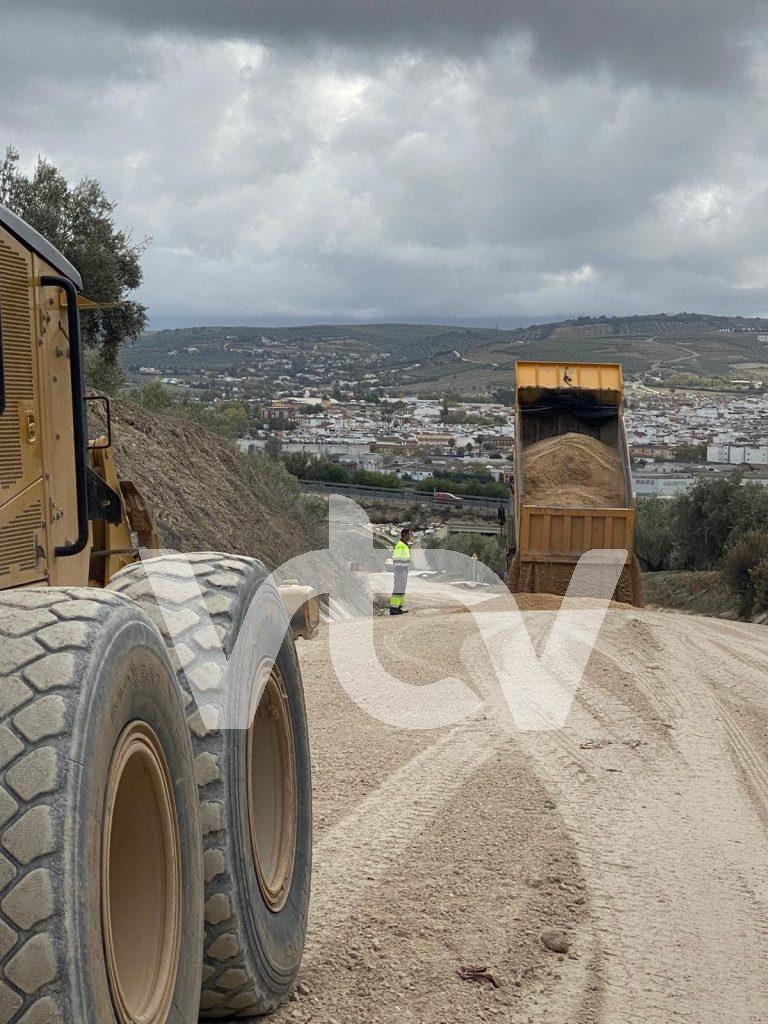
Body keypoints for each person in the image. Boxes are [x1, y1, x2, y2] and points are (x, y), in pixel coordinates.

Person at [390, 527, 412, 615]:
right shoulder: (400, 545)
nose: (410, 536)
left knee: (402, 589)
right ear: (405, 535)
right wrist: (400, 570)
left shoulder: (404, 545)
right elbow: (396, 558)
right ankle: (393, 608)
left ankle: (398, 607)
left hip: (404, 570)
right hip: (400, 571)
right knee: (398, 588)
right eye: (409, 534)